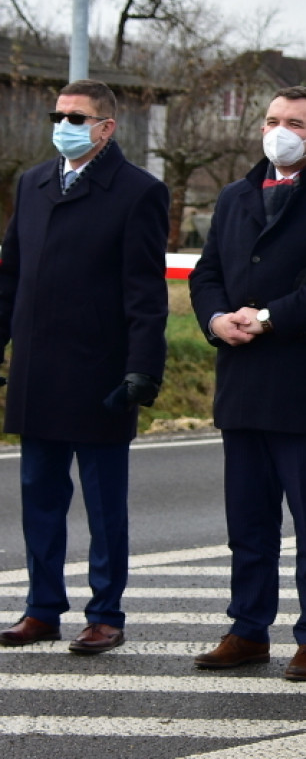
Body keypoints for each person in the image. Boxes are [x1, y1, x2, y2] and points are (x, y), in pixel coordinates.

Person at [189, 85, 306, 682]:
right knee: (247, 522)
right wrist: (218, 319)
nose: (280, 129)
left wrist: (268, 316)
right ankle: (248, 629)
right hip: (242, 380)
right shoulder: (234, 196)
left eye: (294, 121)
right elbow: (208, 274)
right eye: (272, 119)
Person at [0, 79, 169, 654]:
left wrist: (143, 367)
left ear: (105, 128)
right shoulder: (33, 183)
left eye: (76, 116)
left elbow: (146, 292)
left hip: (101, 374)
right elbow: (11, 276)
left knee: (103, 504)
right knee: (39, 497)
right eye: (59, 113)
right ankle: (41, 608)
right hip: (37, 370)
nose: (63, 123)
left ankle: (106, 613)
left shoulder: (138, 192)